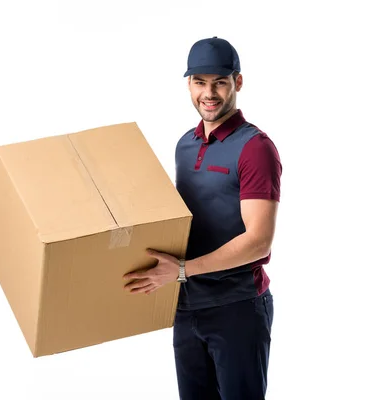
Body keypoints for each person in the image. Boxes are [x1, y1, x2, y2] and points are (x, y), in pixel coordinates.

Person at [123, 36, 282, 399]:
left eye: (219, 82)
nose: (208, 94)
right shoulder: (185, 144)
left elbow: (258, 241)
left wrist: (180, 270)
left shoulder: (255, 148)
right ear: (189, 84)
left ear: (237, 83)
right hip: (186, 307)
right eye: (199, 82)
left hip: (237, 308)